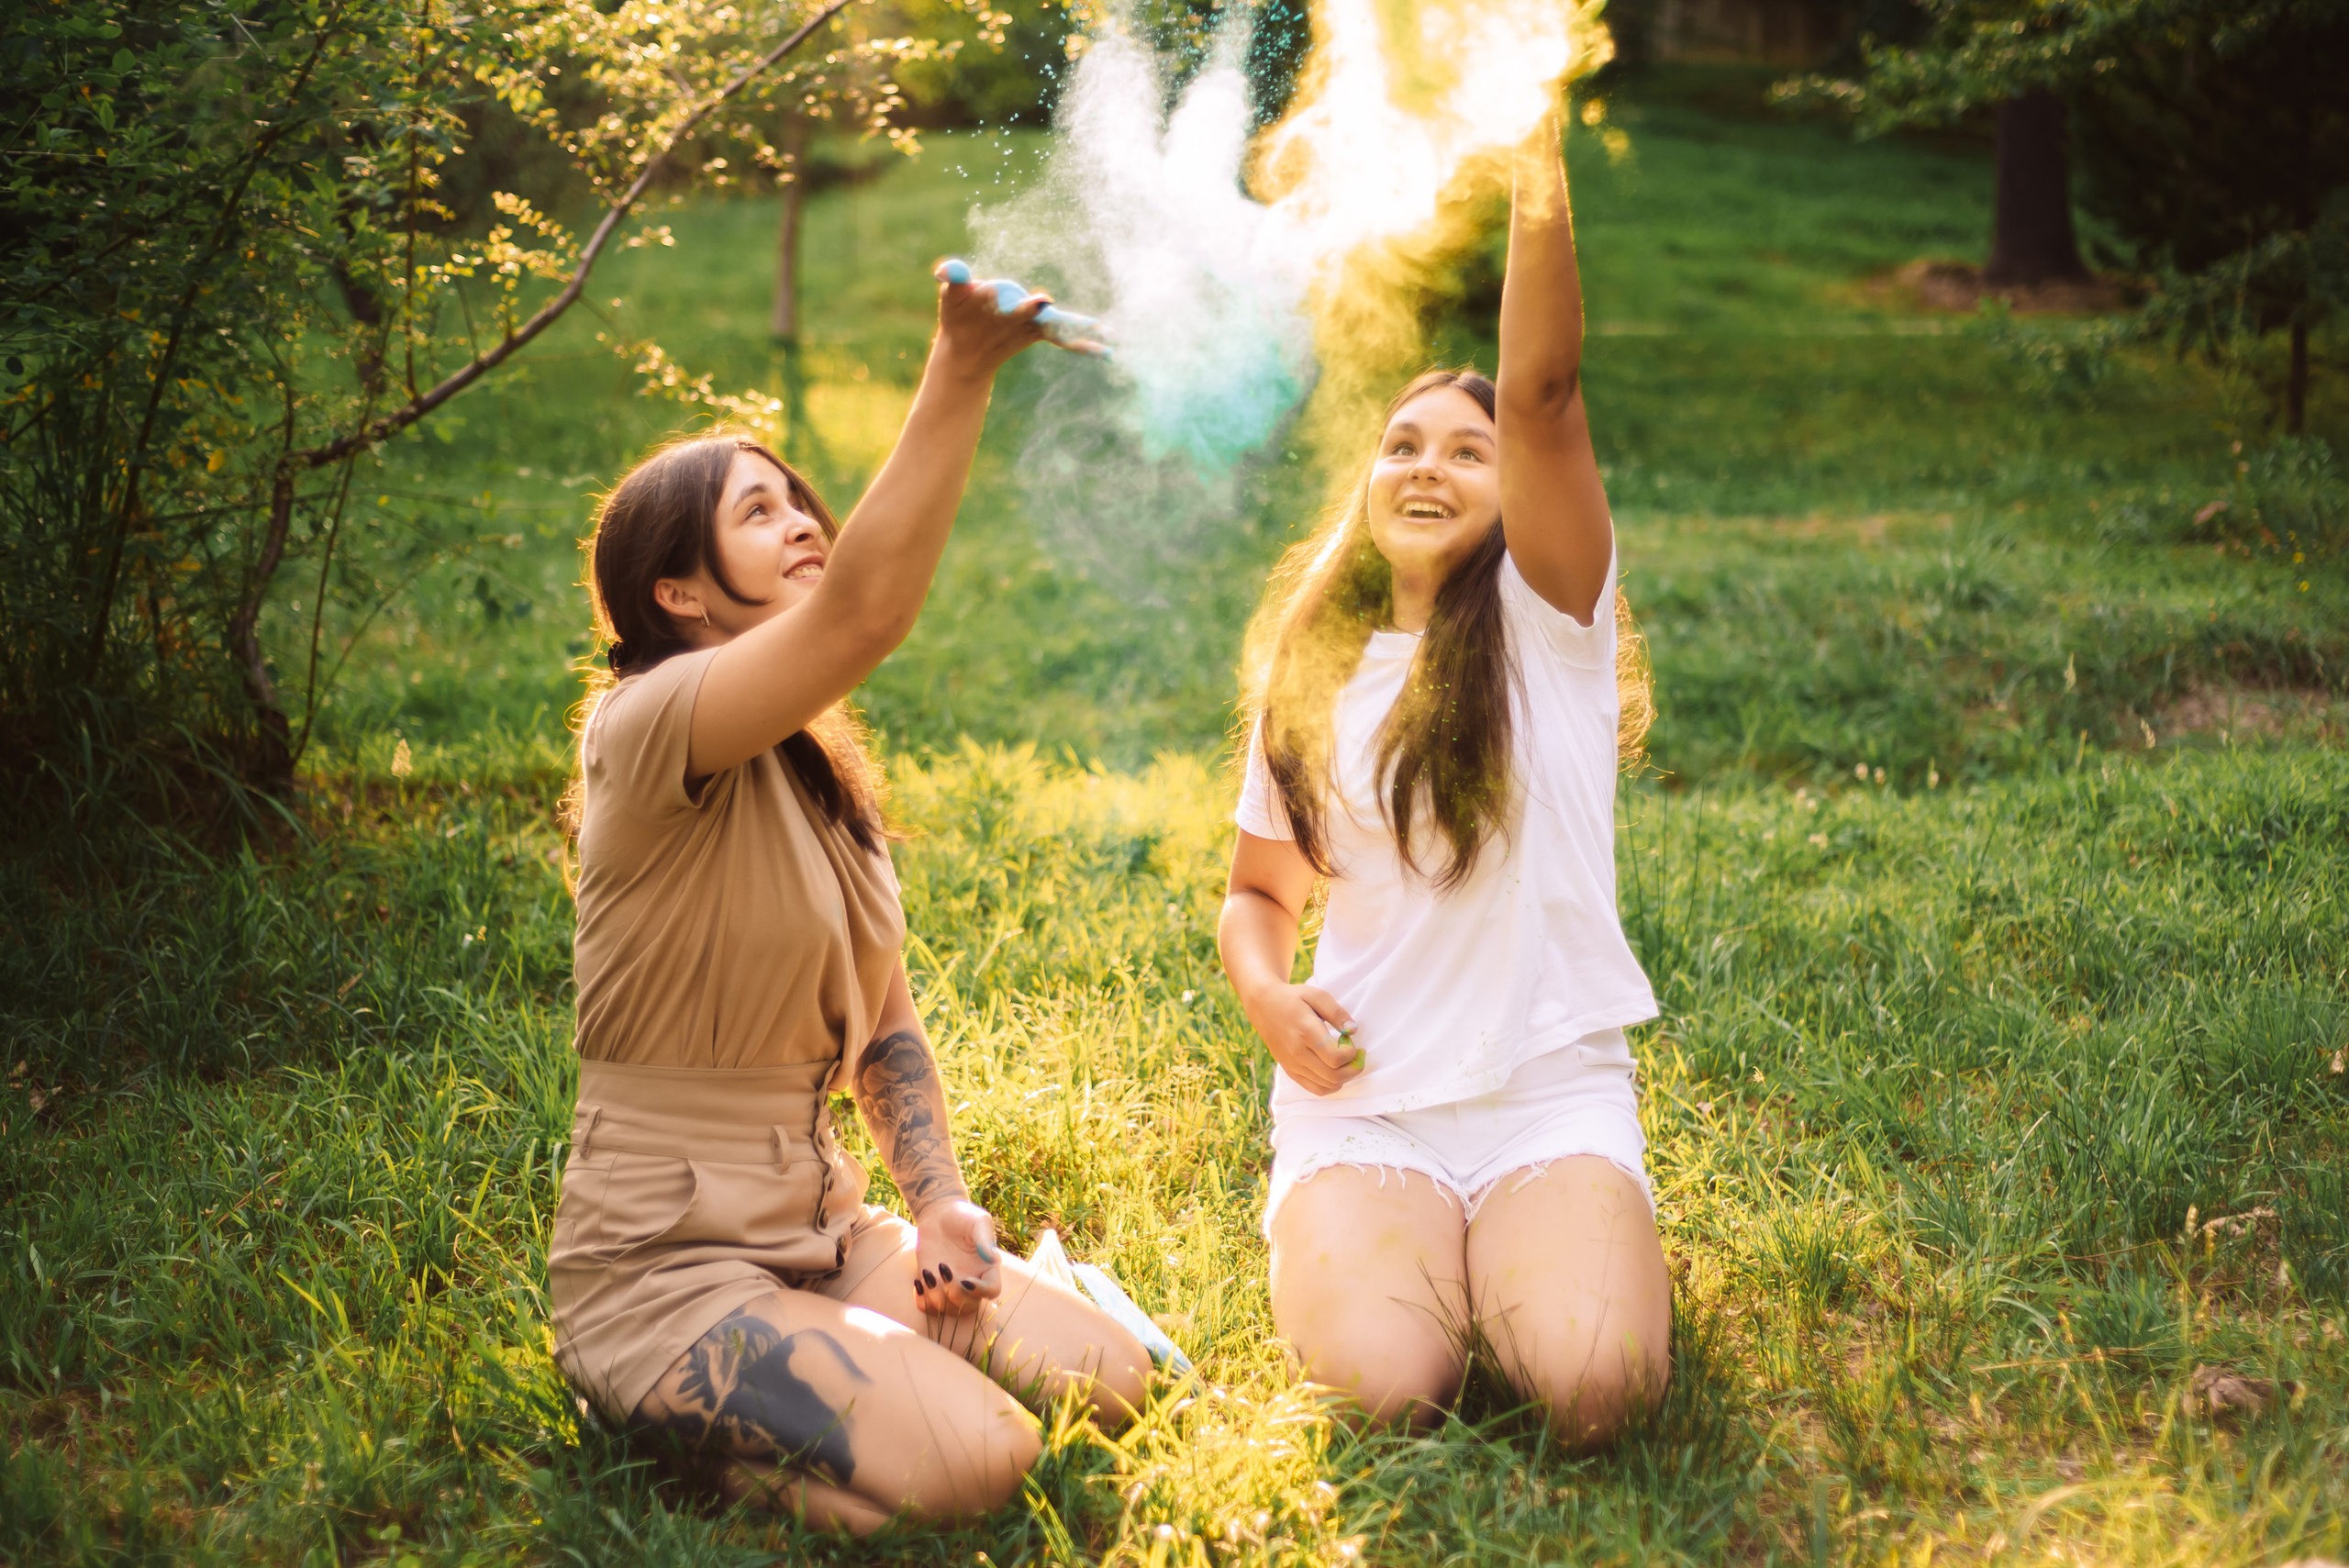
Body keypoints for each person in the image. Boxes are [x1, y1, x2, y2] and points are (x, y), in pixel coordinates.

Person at [552, 269, 1147, 1534]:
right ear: (679, 591)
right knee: (981, 1460)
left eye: (798, 500)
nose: (803, 521)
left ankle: (856, 1365)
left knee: (1113, 1384)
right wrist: (961, 364)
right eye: (757, 512)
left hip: (821, 1230)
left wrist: (937, 1200)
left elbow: (882, 1024)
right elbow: (873, 607)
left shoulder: (823, 777)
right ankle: (670, 1402)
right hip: (665, 1269)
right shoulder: (647, 727)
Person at [1217, 113, 1670, 1446]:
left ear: (1512, 489)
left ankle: (1551, 1246)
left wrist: (1537, 149)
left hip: (1549, 1093)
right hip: (1364, 1102)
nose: (1427, 461)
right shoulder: (1316, 666)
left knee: (1595, 1386)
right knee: (1384, 1387)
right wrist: (1267, 995)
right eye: (1402, 442)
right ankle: (1401, 1250)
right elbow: (1256, 889)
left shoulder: (1551, 622)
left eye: (1464, 450)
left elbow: (1541, 393)